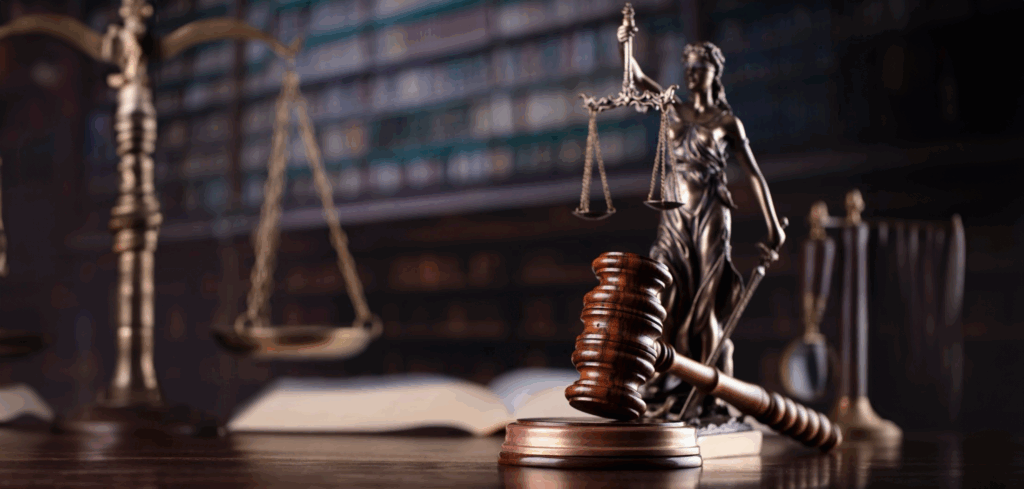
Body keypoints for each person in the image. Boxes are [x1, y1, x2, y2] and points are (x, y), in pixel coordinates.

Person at [618, 26, 787, 420]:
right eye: (688, 68)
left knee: (706, 303)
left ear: (715, 71)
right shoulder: (673, 107)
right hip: (674, 213)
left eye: (700, 68)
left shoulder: (728, 123)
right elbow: (636, 79)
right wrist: (626, 41)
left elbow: (755, 176)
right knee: (666, 294)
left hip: (711, 210)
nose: (692, 75)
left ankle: (712, 392)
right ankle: (666, 382)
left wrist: (772, 226)